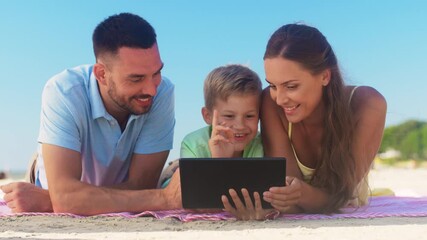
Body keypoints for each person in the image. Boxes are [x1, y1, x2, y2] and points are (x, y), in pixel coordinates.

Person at [0, 13, 182, 215]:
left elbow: (141, 186)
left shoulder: (163, 92)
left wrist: (56, 199)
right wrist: (165, 199)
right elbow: (66, 200)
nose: (151, 89)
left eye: (156, 73)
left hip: (65, 190)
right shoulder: (64, 91)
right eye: (136, 78)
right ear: (102, 74)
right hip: (51, 174)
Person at [260, 23, 387, 213]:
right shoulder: (270, 105)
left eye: (291, 86)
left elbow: (339, 196)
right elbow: (287, 197)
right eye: (272, 86)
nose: (279, 98)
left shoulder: (368, 105)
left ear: (325, 76)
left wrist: (300, 194)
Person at [160, 64, 271, 220]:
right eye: (229, 116)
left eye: (249, 116)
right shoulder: (192, 144)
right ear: (207, 116)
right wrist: (219, 161)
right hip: (177, 171)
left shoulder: (259, 144)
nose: (240, 125)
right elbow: (192, 197)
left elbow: (257, 194)